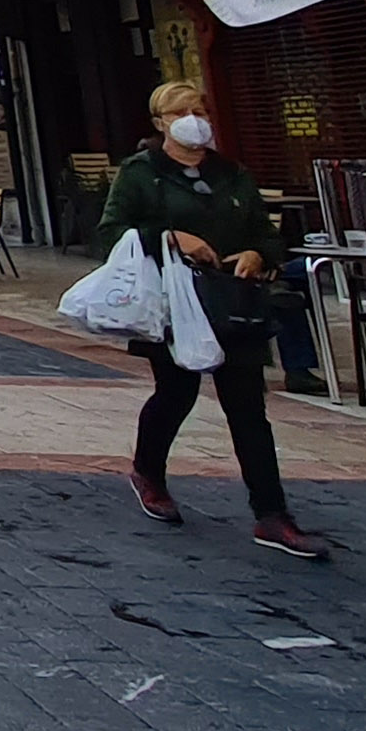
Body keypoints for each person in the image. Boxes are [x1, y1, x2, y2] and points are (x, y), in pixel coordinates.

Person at [97, 80, 329, 558]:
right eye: (181, 110)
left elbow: (268, 236)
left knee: (247, 407)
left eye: (199, 107)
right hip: (174, 303)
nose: (193, 116)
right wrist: (169, 237)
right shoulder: (141, 174)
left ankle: (272, 514)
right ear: (161, 123)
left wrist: (256, 254)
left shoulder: (233, 175)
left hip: (235, 302)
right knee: (176, 392)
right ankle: (148, 472)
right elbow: (110, 233)